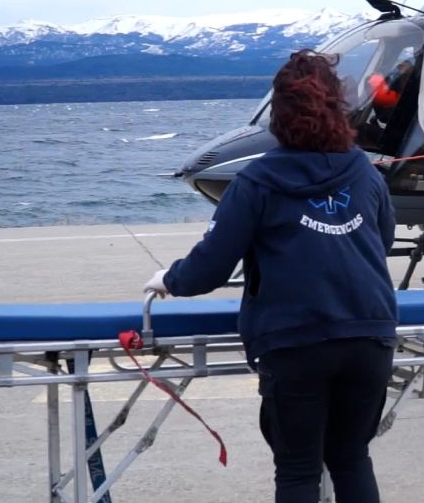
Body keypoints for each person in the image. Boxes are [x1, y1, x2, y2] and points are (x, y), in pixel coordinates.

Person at [143, 49, 397, 503]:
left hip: (296, 341)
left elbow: (210, 267)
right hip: (369, 334)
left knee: (298, 470)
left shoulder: (257, 181)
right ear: (339, 107)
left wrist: (170, 279)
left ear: (278, 113)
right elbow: (382, 240)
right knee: (351, 457)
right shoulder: (364, 170)